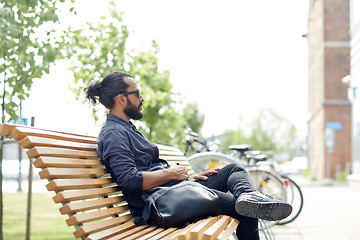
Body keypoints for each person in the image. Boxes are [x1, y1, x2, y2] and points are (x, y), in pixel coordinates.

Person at [85, 71, 292, 240]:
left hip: (173, 191)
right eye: (137, 93)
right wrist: (172, 174)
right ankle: (249, 201)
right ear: (122, 99)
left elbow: (147, 170)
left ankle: (248, 195)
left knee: (233, 170)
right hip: (161, 206)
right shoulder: (113, 134)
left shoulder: (125, 129)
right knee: (246, 212)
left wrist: (188, 178)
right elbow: (130, 180)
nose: (142, 98)